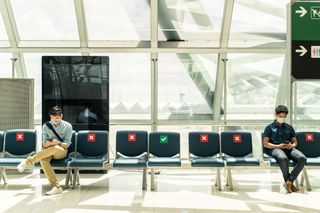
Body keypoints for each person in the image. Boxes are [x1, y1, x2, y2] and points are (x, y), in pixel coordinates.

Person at [17, 106, 73, 195]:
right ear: (50, 117)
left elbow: (67, 144)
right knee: (43, 160)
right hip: (48, 150)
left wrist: (58, 143)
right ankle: (56, 187)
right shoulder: (46, 126)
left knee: (55, 148)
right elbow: (44, 144)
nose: (55, 119)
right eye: (53, 117)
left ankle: (28, 161)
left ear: (61, 116)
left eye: (57, 117)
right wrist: (50, 143)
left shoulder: (68, 126)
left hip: (61, 151)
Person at [263, 105, 307, 193]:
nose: (282, 118)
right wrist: (278, 146)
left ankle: (289, 181)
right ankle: (289, 182)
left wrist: (292, 145)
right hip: (275, 149)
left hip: (288, 148)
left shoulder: (289, 127)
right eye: (280, 116)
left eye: (284, 117)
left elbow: (295, 142)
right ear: (275, 115)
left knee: (302, 158)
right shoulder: (269, 128)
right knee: (283, 158)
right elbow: (265, 143)